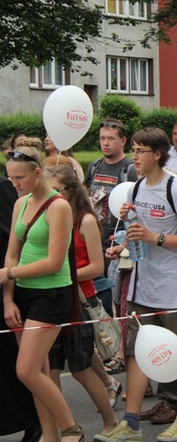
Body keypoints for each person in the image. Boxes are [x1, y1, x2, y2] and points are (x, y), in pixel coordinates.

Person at [95, 127, 177, 442]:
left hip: (173, 287)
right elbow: (139, 236)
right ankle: (130, 423)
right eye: (133, 150)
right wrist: (125, 245)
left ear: (156, 154)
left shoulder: (176, 189)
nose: (134, 156)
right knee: (137, 354)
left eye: (140, 150)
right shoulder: (136, 188)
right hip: (141, 285)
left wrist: (155, 237)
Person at [1, 146, 84, 442]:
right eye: (11, 179)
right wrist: (8, 298)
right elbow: (12, 253)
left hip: (52, 294)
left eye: (20, 178)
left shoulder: (58, 205)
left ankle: (72, 429)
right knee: (37, 373)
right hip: (24, 293)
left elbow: (53, 261)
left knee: (26, 371)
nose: (15, 184)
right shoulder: (20, 204)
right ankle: (50, 437)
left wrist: (9, 274)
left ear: (37, 172)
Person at [44, 165, 118, 436]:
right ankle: (61, 428)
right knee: (49, 371)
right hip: (49, 299)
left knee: (81, 367)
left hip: (79, 299)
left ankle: (110, 421)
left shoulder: (84, 220)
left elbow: (96, 267)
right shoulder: (48, 217)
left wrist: (61, 273)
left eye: (57, 191)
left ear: (70, 191)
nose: (51, 197)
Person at [0, 173, 41, 442]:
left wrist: (8, 298)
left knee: (12, 363)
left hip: (5, 286)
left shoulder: (3, 189)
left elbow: (11, 246)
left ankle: (34, 421)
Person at [84, 118, 138, 268]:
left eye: (111, 138)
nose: (105, 143)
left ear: (123, 141)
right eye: (102, 138)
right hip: (94, 241)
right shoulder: (95, 166)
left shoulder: (130, 170)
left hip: (119, 244)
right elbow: (85, 194)